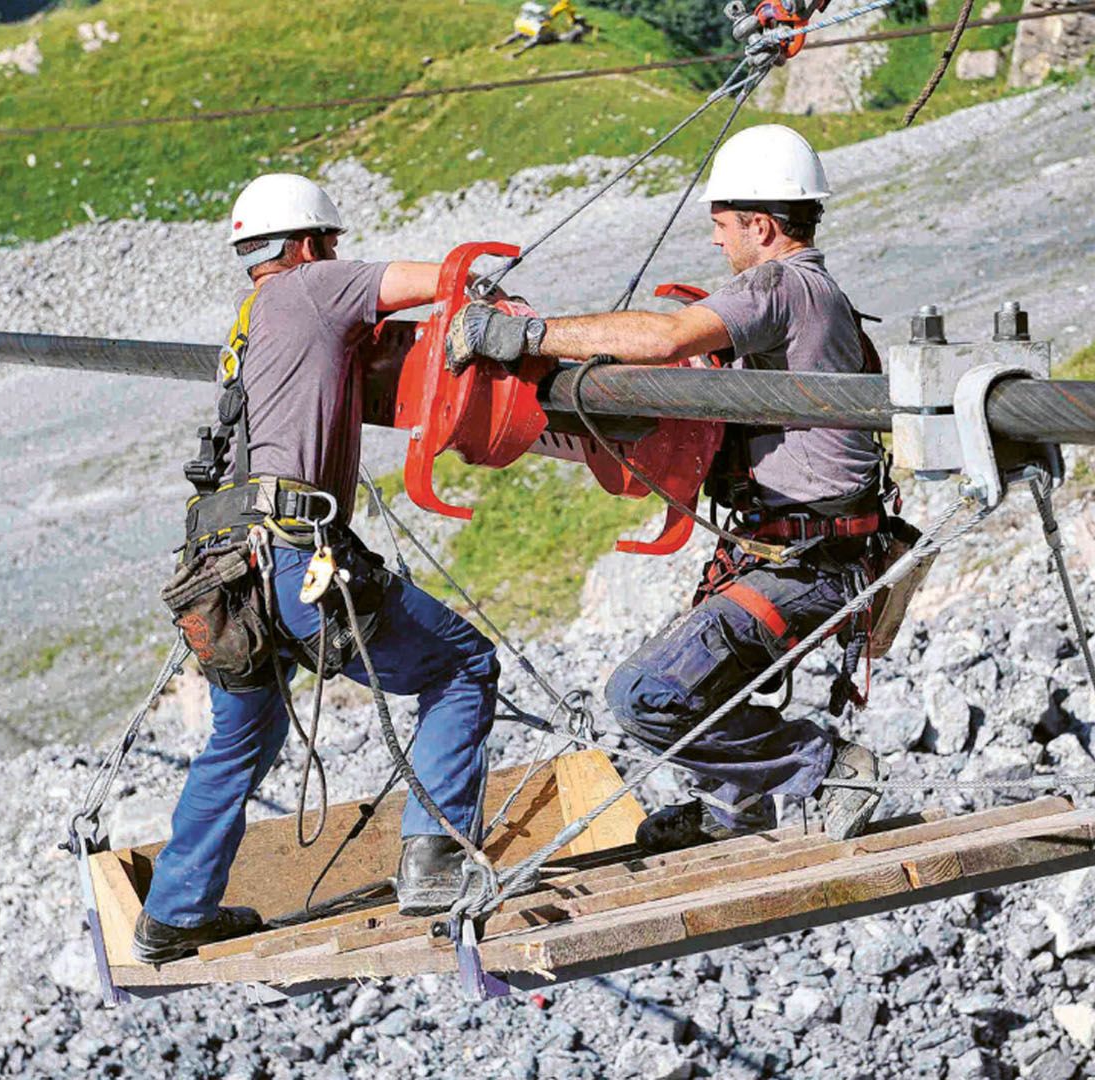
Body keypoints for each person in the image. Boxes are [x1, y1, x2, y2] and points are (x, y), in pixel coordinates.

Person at [446, 124, 899, 853]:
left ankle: (829, 767)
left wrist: (525, 336)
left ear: (760, 225)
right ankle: (737, 808)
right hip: (797, 554)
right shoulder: (819, 299)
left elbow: (664, 339)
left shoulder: (780, 285)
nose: (717, 242)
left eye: (722, 227)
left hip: (807, 564)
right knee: (696, 684)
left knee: (645, 696)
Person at [135, 174, 500, 964]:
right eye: (330, 244)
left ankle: (173, 913)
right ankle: (435, 861)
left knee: (243, 735)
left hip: (224, 578)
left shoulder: (249, 319)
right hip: (294, 559)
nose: (338, 256)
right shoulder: (316, 285)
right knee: (464, 668)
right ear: (307, 245)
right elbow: (440, 280)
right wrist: (487, 289)